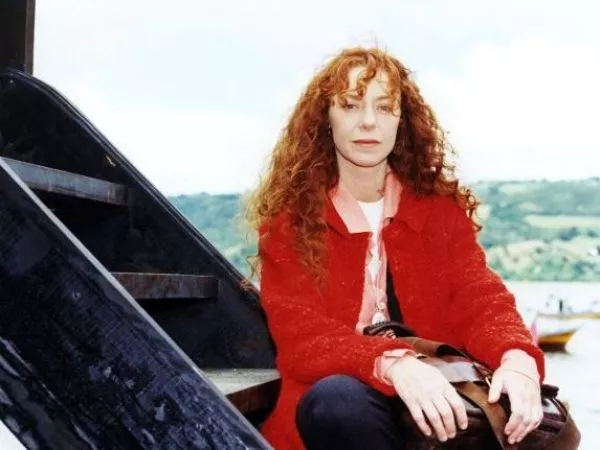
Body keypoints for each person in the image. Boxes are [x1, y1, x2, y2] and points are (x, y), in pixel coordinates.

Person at [245, 47, 545, 450]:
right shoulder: (291, 221)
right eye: (350, 105)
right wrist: (394, 363)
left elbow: (479, 296)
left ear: (401, 121)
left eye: (384, 107)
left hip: (439, 409)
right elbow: (302, 337)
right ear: (325, 119)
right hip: (347, 412)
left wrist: (517, 357)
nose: (368, 121)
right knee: (336, 401)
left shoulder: (439, 209)